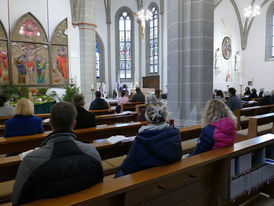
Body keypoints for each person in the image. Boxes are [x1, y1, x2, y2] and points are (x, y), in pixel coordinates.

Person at [12, 102, 103, 206]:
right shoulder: (92, 152)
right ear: (74, 124)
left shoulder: (31, 161)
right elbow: (99, 184)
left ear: (50, 123)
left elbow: (17, 200)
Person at [115, 102, 182, 178]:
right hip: (171, 178)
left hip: (146, 182)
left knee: (119, 176)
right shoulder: (174, 135)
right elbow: (177, 157)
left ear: (147, 118)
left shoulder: (142, 139)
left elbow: (127, 167)